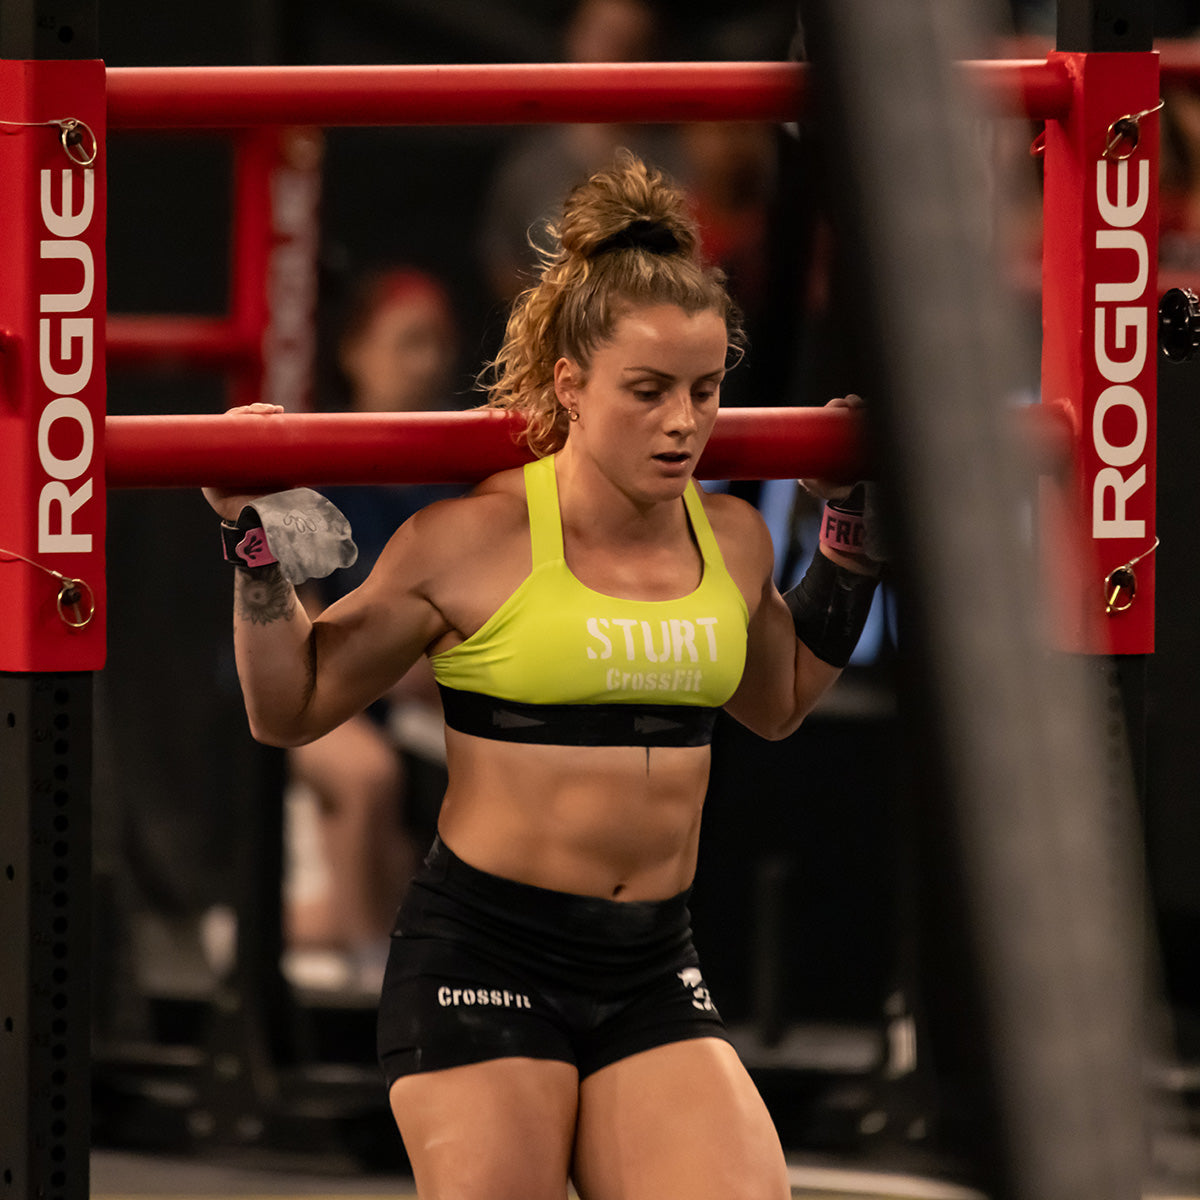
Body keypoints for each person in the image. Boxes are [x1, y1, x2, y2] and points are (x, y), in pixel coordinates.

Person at [204, 152, 880, 1199]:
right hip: (484, 963)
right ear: (570, 383)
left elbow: (782, 698)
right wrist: (259, 540)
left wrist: (855, 523)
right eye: (648, 392)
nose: (683, 423)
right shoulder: (469, 541)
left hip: (652, 964)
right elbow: (287, 708)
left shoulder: (736, 539)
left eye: (704, 392)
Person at [285, 267, 462, 986]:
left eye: (439, 344)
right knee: (366, 779)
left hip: (417, 696)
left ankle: (324, 929)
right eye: (407, 342)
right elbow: (296, 620)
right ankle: (371, 986)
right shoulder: (315, 461)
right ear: (355, 350)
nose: (427, 363)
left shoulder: (461, 468)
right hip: (312, 685)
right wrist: (394, 658)